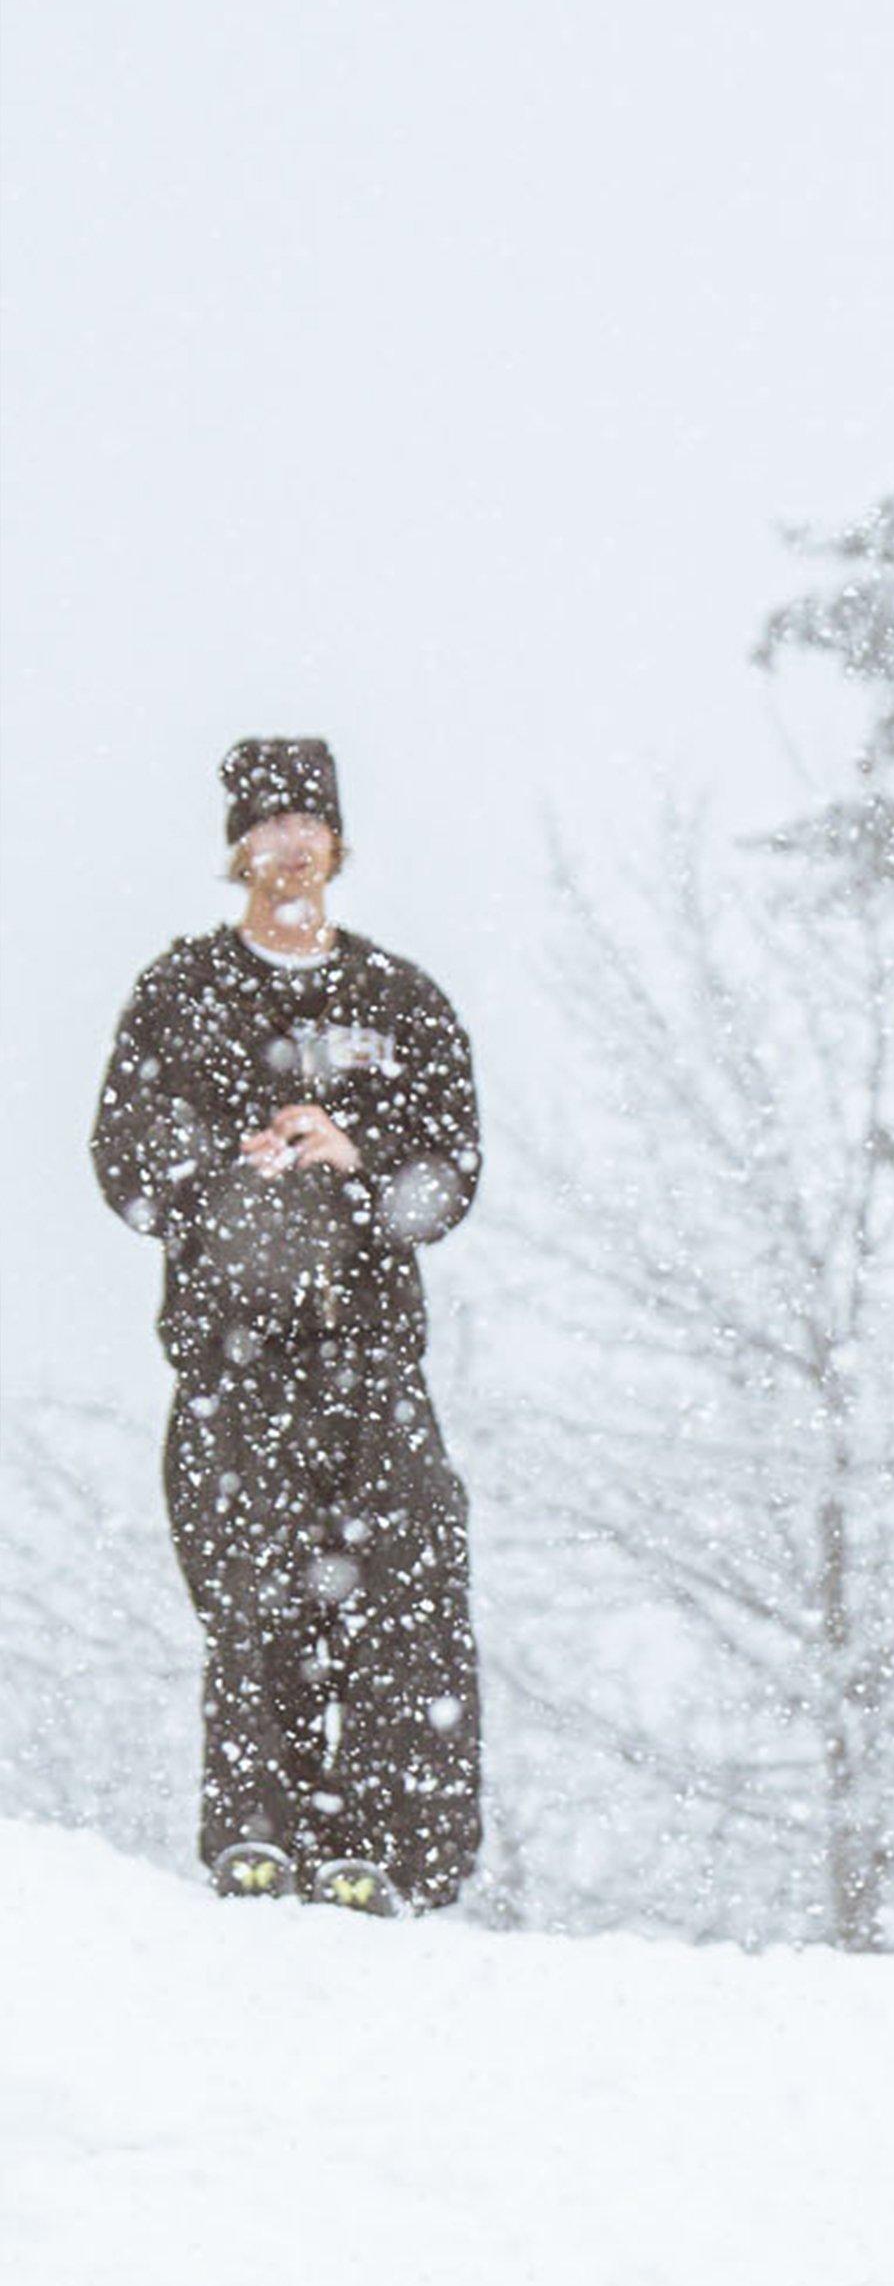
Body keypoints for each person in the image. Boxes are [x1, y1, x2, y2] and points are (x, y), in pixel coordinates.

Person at [90, 739, 485, 1914]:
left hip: (369, 1356)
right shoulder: (181, 994)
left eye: (307, 824)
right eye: (266, 828)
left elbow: (451, 1172)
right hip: (231, 1361)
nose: (289, 846)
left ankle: (375, 1838)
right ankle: (255, 1834)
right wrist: (232, 1169)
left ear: (339, 844)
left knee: (398, 1588)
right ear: (236, 851)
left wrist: (357, 1165)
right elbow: (125, 1163)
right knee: (251, 1597)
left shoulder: (398, 1000)